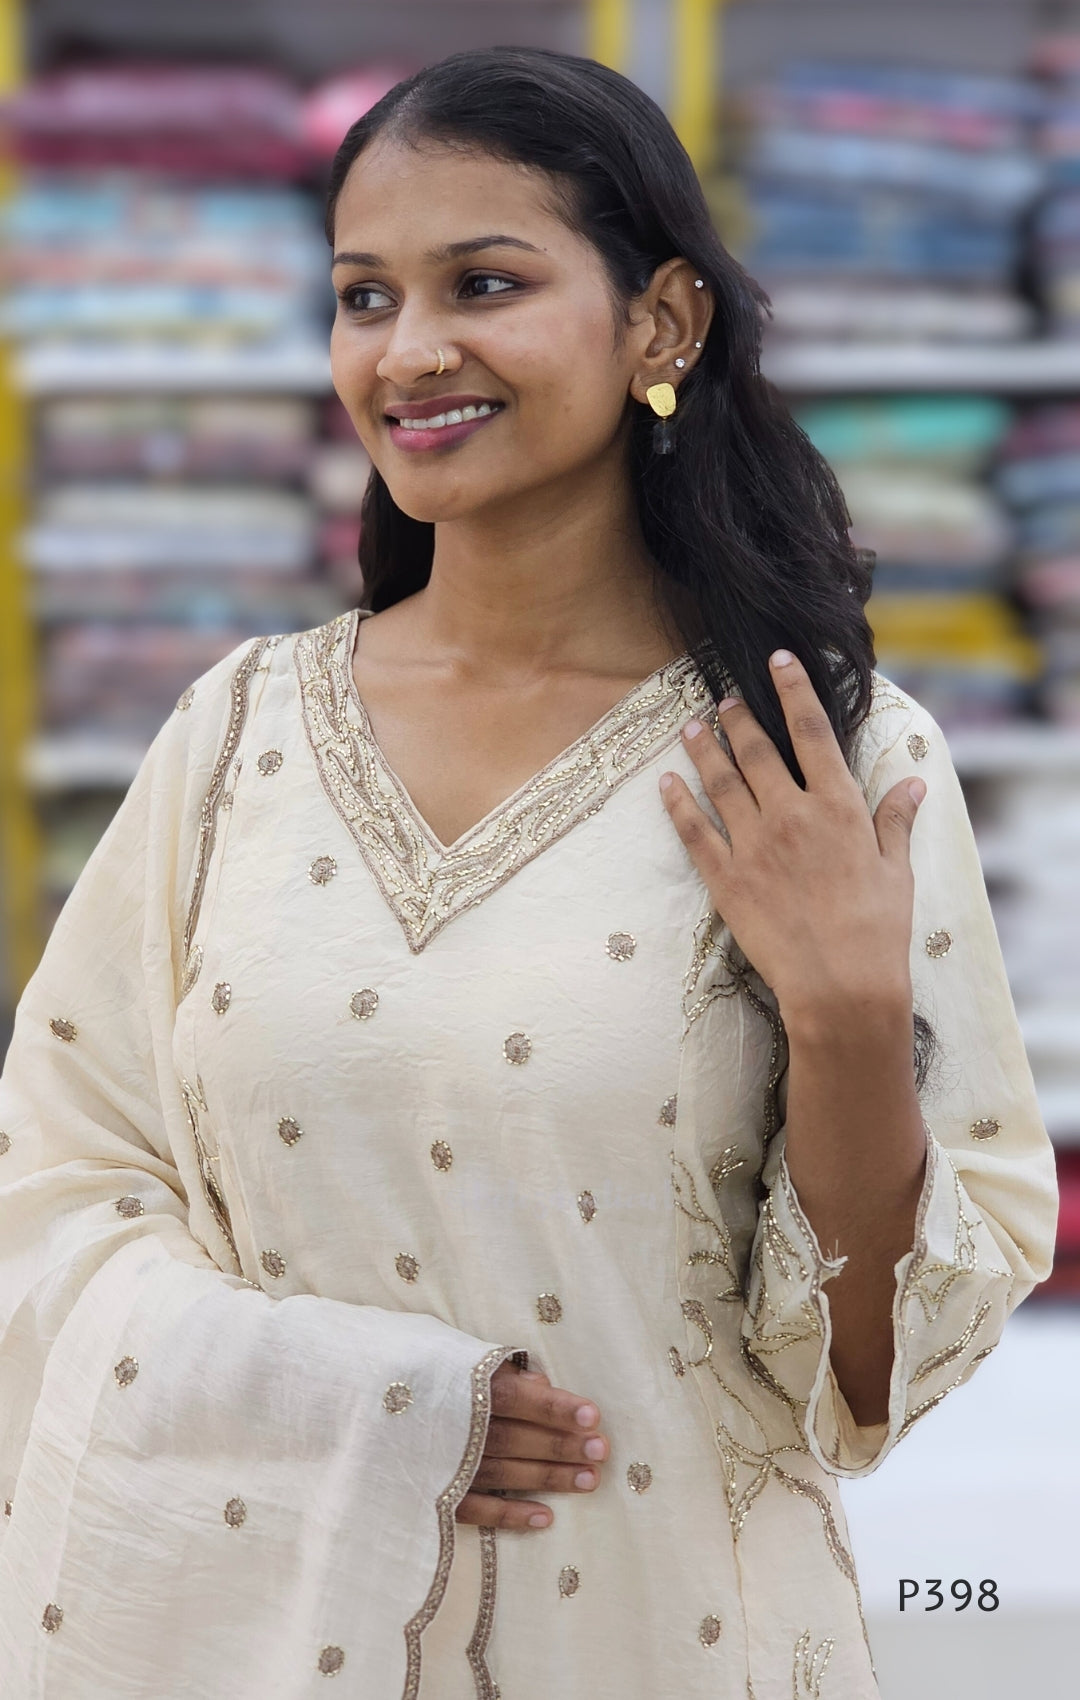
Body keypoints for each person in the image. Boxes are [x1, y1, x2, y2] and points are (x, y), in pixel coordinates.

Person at [0, 44, 1058, 1700]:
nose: (409, 352)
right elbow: (51, 1201)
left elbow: (867, 1390)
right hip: (262, 1643)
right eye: (364, 296)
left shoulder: (825, 755)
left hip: (661, 1640)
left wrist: (850, 1016)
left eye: (482, 283)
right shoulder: (235, 738)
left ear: (662, 325)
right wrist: (359, 1405)